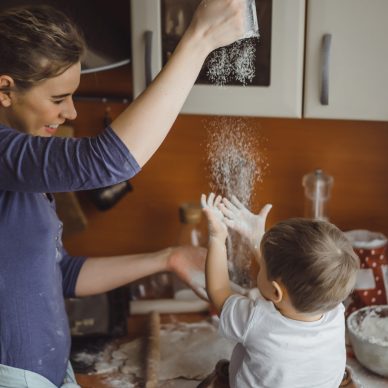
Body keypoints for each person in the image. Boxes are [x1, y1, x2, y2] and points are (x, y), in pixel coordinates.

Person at [0, 2, 246, 387]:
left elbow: (59, 272)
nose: (72, 114)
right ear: (5, 90)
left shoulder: (21, 163)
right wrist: (199, 39)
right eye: (58, 99)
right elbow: (107, 162)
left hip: (48, 370)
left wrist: (169, 258)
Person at [200, 193, 360, 388]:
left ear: (276, 293)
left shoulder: (256, 320)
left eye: (262, 266)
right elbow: (289, 280)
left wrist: (217, 238)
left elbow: (217, 290)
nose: (259, 266)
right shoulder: (335, 310)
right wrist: (256, 236)